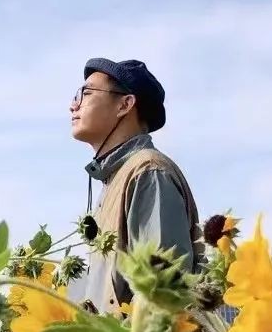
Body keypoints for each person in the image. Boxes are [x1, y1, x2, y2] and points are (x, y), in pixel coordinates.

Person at [69, 57, 202, 313]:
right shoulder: (117, 178)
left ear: (125, 104)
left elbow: (164, 291)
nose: (73, 105)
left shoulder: (147, 171)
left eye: (85, 93)